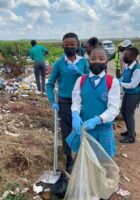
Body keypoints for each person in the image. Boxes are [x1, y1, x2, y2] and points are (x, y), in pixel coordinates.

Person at [46, 32, 90, 173]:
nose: (70, 47)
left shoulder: (83, 62)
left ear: (77, 45)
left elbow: (91, 80)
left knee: (81, 130)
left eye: (72, 45)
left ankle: (81, 156)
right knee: (66, 131)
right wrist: (53, 101)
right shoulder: (59, 63)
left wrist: (80, 73)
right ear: (62, 46)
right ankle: (69, 159)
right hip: (65, 101)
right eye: (67, 45)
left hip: (82, 101)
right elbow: (50, 84)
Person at [71, 47, 120, 158]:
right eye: (93, 58)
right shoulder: (81, 80)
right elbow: (76, 101)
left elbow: (113, 108)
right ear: (89, 61)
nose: (97, 61)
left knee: (103, 161)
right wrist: (75, 114)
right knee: (85, 159)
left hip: (104, 130)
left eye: (101, 58)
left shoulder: (112, 82)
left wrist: (98, 119)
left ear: (106, 61)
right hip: (85, 129)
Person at [118, 47, 140, 143]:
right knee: (123, 111)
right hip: (128, 92)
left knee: (129, 113)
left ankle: (131, 137)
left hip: (134, 94)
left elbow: (133, 85)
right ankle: (130, 131)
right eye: (124, 54)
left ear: (133, 56)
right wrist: (121, 80)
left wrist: (120, 83)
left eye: (126, 55)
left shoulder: (137, 69)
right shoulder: (127, 66)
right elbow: (125, 77)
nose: (124, 56)